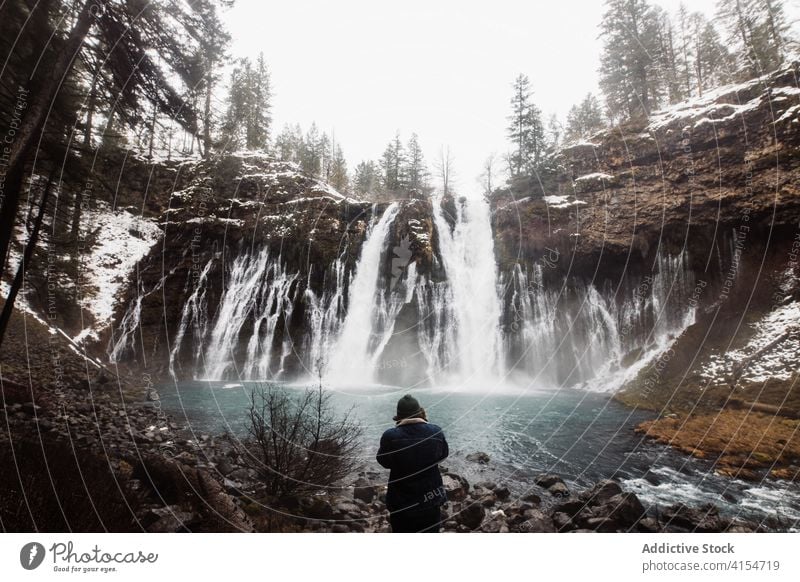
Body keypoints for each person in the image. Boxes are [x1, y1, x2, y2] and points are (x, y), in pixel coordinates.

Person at [376, 394, 449, 532]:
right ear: (420, 411)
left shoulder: (390, 436)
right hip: (430, 500)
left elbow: (383, 461)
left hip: (401, 503)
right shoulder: (436, 432)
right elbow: (443, 455)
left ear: (398, 415)